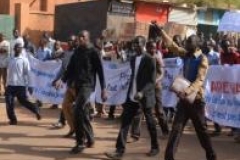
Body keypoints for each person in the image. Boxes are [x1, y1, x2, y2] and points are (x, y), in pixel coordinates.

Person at [158, 26, 217, 160]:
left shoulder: (202, 58)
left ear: (196, 45)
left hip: (196, 101)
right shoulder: (186, 54)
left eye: (189, 42)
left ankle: (211, 155)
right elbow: (172, 46)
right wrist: (161, 31)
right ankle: (169, 157)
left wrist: (187, 91)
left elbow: (199, 80)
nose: (186, 44)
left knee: (201, 131)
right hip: (184, 100)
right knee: (176, 129)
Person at [105, 36, 159, 159]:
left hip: (145, 97)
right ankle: (119, 150)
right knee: (125, 122)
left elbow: (151, 81)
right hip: (132, 96)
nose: (135, 46)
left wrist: (142, 92)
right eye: (134, 44)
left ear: (143, 44)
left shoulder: (150, 59)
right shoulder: (133, 59)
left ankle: (155, 147)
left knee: (150, 124)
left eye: (138, 44)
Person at [60, 30, 107, 154]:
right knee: (83, 113)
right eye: (79, 36)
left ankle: (80, 142)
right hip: (77, 86)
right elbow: (70, 69)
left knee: (77, 109)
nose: (80, 39)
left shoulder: (94, 52)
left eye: (83, 37)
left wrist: (103, 89)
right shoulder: (77, 52)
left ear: (88, 38)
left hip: (88, 86)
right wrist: (62, 80)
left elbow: (100, 72)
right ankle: (90, 139)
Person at [129, 40, 169, 142]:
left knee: (159, 111)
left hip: (156, 88)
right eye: (151, 47)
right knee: (138, 111)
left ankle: (165, 131)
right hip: (144, 89)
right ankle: (135, 134)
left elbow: (161, 73)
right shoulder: (142, 58)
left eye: (154, 48)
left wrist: (155, 81)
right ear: (146, 47)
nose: (153, 50)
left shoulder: (157, 58)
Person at [5, 43, 41, 125]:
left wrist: (30, 85)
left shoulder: (24, 60)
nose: (19, 49)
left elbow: (28, 73)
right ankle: (13, 119)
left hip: (20, 85)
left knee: (23, 101)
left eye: (20, 48)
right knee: (9, 102)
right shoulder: (10, 59)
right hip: (10, 85)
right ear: (14, 49)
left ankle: (36, 109)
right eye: (18, 48)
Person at [52, 36, 77, 136]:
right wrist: (57, 79)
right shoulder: (66, 53)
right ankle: (72, 129)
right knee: (65, 105)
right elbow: (63, 69)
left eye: (72, 40)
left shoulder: (78, 54)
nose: (70, 42)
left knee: (79, 109)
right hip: (69, 84)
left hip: (78, 85)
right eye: (69, 40)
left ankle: (85, 133)